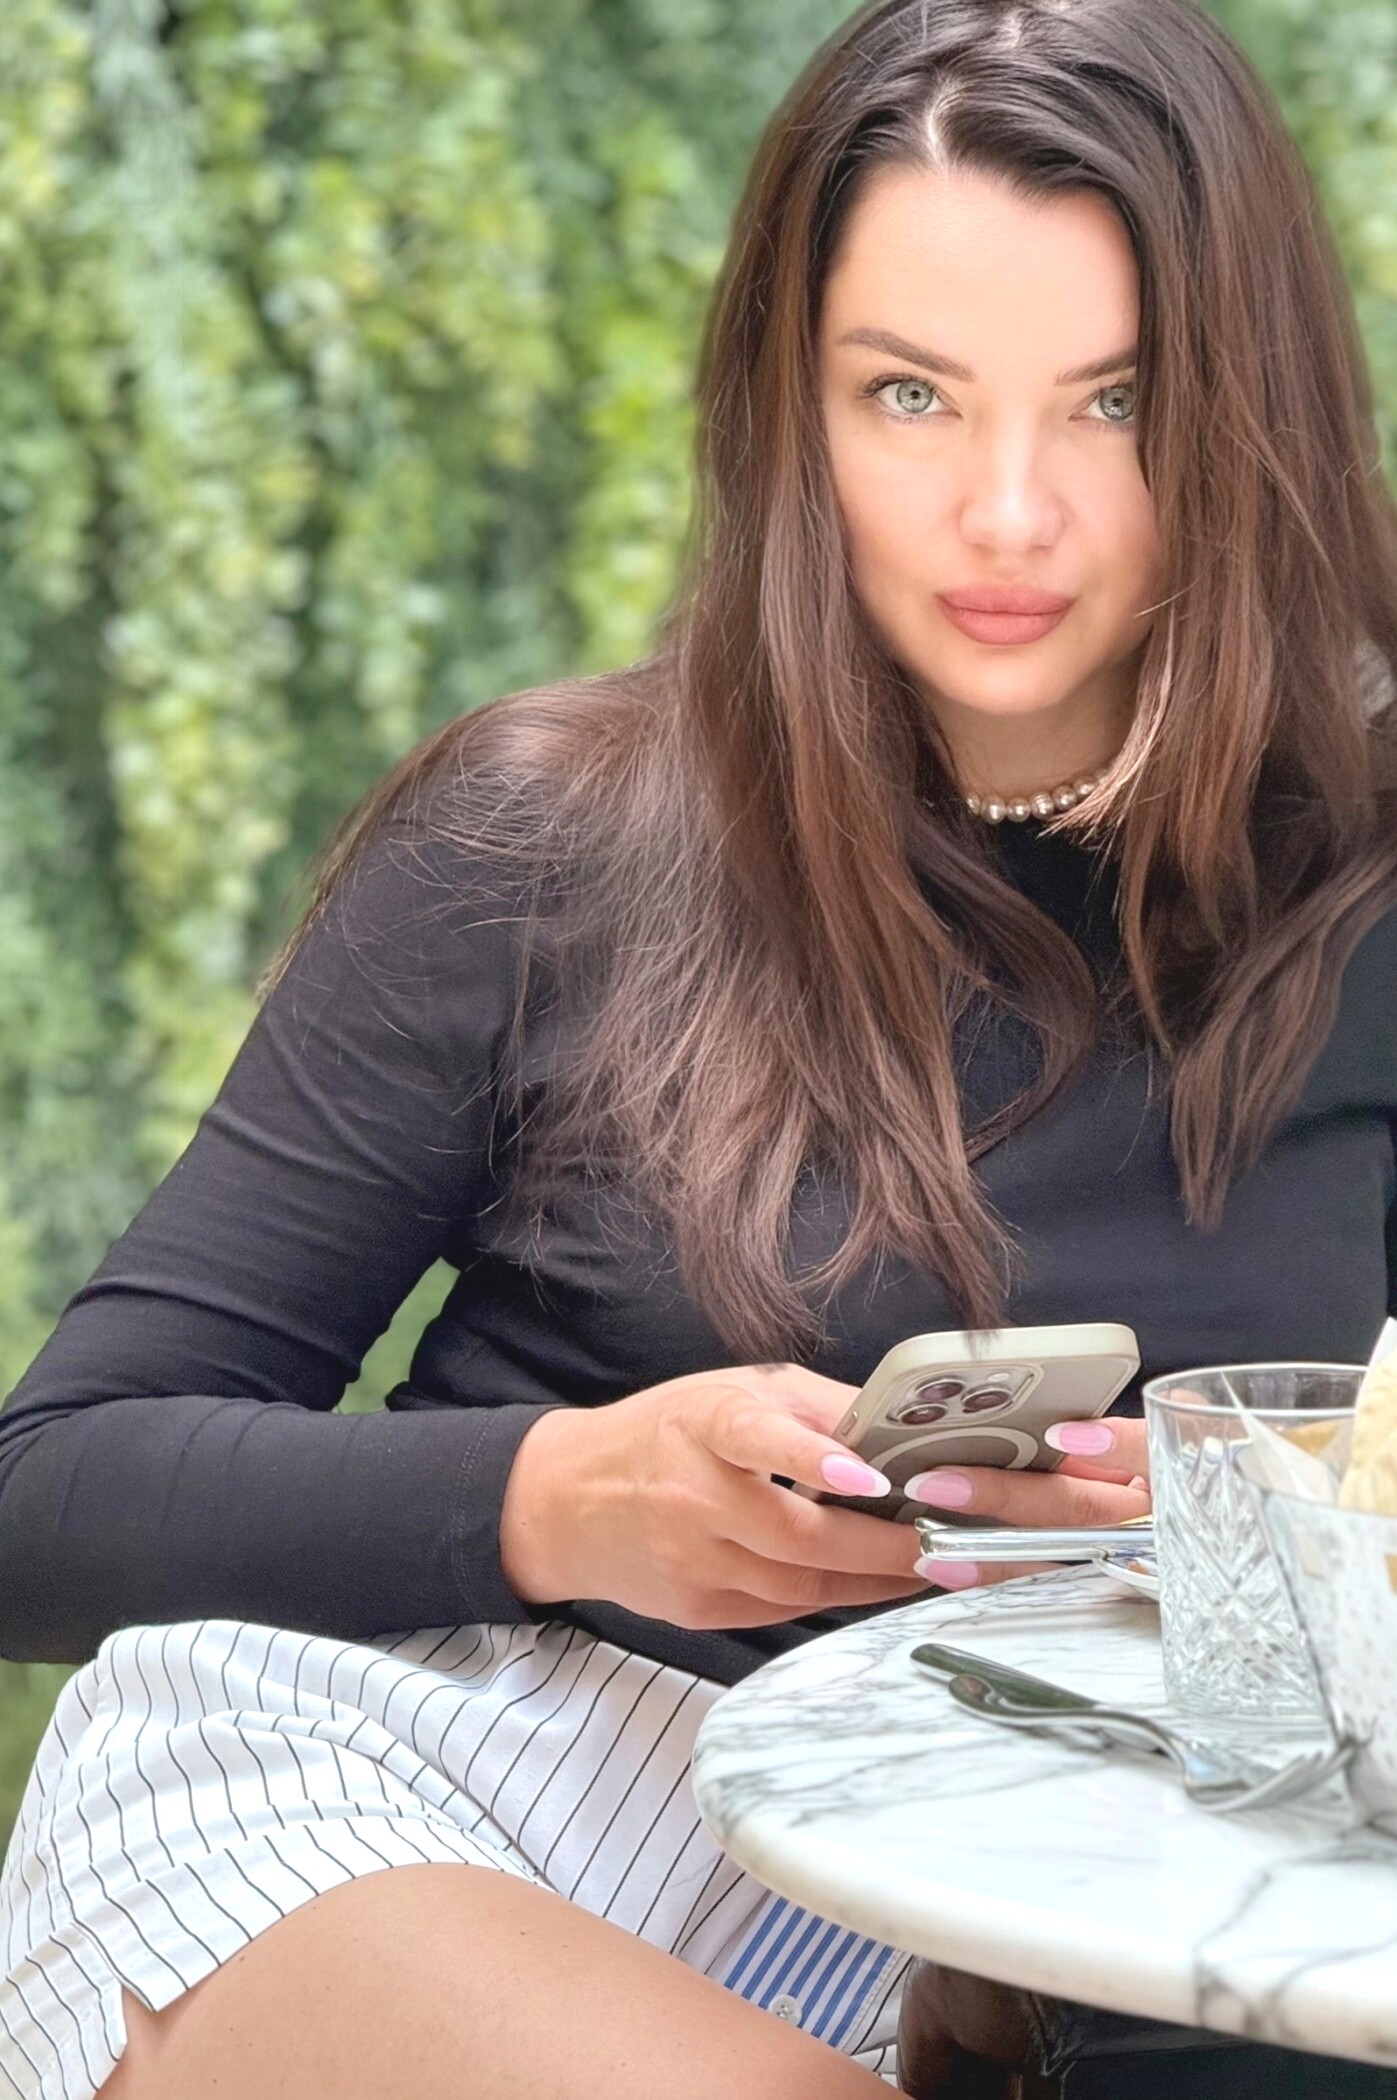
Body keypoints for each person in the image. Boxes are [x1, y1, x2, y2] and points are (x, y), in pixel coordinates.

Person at [1, 0, 1395, 2093]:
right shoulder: (549, 834)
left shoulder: (1365, 888)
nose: (1009, 512)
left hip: (1055, 1876)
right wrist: (564, 1495)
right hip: (447, 1792)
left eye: (1114, 401)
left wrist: (1207, 1535)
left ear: (1252, 408)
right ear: (785, 407)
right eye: (910, 394)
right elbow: (46, 1489)